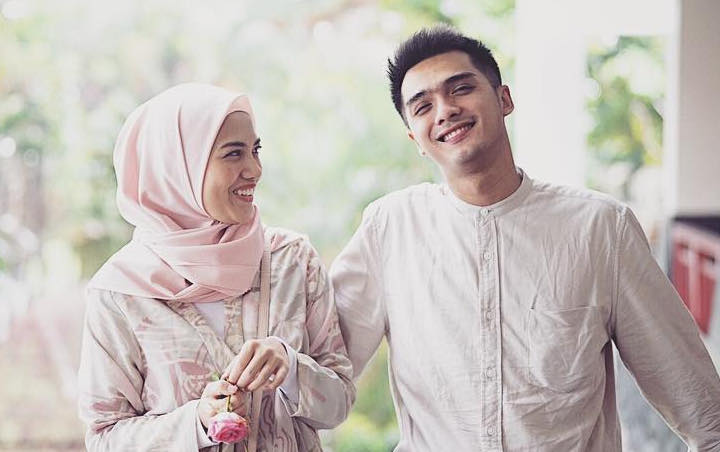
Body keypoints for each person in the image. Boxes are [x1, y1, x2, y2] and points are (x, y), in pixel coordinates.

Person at [330, 26, 720, 451]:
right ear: (415, 139)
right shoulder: (389, 228)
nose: (445, 110)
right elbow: (325, 371)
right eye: (423, 106)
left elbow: (702, 409)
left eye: (461, 88)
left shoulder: (601, 228)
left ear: (504, 99)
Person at [78, 83, 354, 452]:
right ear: (178, 168)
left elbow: (340, 402)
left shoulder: (293, 261)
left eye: (255, 150)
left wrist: (291, 367)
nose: (254, 169)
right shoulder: (119, 292)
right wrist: (196, 423)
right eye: (233, 154)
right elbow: (105, 437)